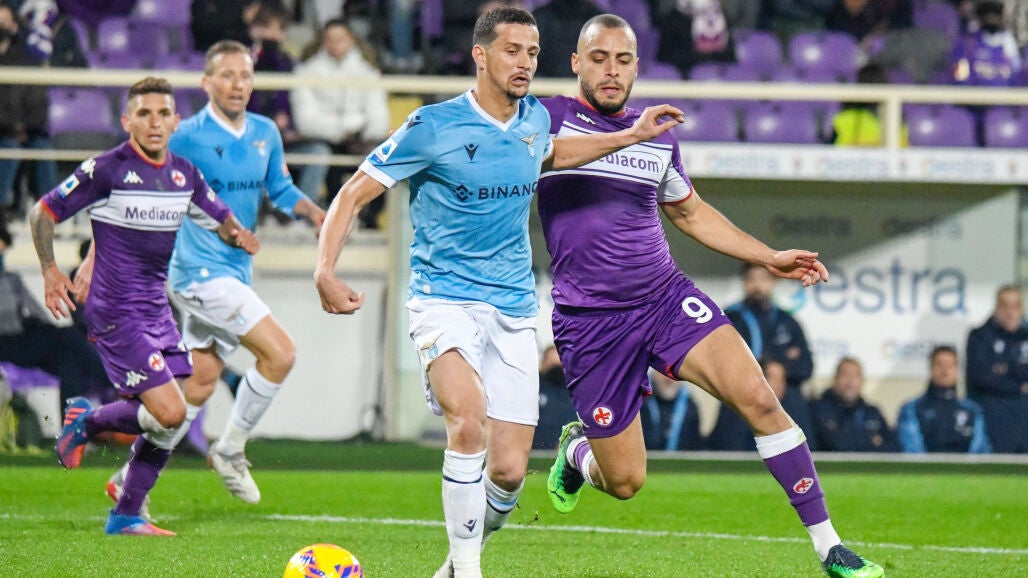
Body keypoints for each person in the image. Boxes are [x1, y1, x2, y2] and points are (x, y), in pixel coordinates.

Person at [314, 7, 684, 577]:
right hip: (443, 300)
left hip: (512, 306)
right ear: (480, 55)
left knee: (508, 473)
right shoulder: (432, 126)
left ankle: (454, 565)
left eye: (532, 53)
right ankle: (469, 570)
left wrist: (631, 136)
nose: (524, 63)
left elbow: (553, 153)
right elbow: (353, 193)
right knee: (468, 420)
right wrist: (325, 269)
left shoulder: (533, 119)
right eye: (512, 51)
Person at [537, 14, 883, 577]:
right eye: (598, 58)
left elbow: (690, 212)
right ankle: (578, 452)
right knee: (624, 481)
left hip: (663, 299)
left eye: (622, 60)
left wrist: (768, 256)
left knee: (760, 398)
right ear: (576, 63)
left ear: (637, 67)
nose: (611, 71)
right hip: (592, 322)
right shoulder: (548, 116)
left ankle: (830, 547)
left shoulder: (657, 136)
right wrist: (628, 137)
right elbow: (538, 155)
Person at [29, 76, 258, 536]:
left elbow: (218, 217)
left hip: (157, 310)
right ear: (126, 121)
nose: (154, 122)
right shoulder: (107, 169)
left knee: (170, 416)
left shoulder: (184, 175)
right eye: (144, 113)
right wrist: (50, 269)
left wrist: (237, 234)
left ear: (176, 121)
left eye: (163, 113)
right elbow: (43, 211)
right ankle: (87, 423)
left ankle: (126, 514)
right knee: (170, 412)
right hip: (116, 310)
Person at [103, 40, 325, 509]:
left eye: (245, 75)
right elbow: (129, 175)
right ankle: (230, 449)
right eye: (227, 75)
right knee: (280, 354)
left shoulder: (265, 131)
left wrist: (312, 212)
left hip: (235, 273)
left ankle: (128, 479)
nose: (237, 84)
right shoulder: (185, 136)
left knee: (198, 385)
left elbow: (280, 189)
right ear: (206, 83)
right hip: (197, 273)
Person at [0, 221, 109, 411]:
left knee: (70, 363)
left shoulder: (12, 279)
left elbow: (36, 311)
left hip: (22, 338)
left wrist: (46, 330)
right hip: (4, 342)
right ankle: (111, 382)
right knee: (69, 335)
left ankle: (70, 422)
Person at [292, 18, 390, 222]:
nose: (335, 44)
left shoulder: (368, 73)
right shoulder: (307, 71)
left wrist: (362, 132)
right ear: (323, 41)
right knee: (321, 153)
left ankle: (369, 219)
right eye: (330, 39)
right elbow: (306, 121)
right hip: (322, 141)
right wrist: (344, 129)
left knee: (383, 154)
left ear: (351, 40)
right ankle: (307, 220)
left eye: (340, 39)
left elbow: (379, 118)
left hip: (360, 140)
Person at [725, 263, 814, 407]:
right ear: (743, 282)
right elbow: (724, 362)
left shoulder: (787, 321)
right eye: (751, 279)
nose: (757, 285)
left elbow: (806, 368)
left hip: (786, 404)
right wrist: (774, 364)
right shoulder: (730, 318)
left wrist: (781, 368)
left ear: (774, 282)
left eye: (763, 279)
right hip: (742, 400)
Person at [0, 4, 58, 223]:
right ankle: (1, 212)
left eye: (6, 23)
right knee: (10, 148)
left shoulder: (27, 61)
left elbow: (37, 103)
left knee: (41, 148)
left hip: (24, 130)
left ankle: (49, 213)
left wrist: (24, 127)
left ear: (15, 26)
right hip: (5, 133)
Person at [965, 285, 1028, 453]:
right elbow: (982, 377)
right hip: (993, 422)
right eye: (1004, 306)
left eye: (1015, 306)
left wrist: (1004, 370)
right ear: (996, 308)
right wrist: (1019, 385)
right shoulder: (979, 337)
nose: (1010, 312)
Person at [706, 357, 816, 451]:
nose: (779, 385)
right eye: (773, 378)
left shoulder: (795, 410)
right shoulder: (735, 408)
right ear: (759, 380)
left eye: (782, 379)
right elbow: (728, 448)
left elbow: (808, 447)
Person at [897, 345, 991, 453]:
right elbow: (912, 450)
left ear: (957, 369)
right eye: (939, 365)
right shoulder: (912, 409)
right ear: (931, 368)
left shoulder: (973, 410)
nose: (945, 370)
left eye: (950, 365)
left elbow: (980, 451)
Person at [810, 357, 898, 453]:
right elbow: (836, 444)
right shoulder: (818, 409)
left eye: (856, 376)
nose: (850, 382)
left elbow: (893, 448)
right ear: (835, 379)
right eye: (845, 375)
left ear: (862, 381)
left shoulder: (872, 412)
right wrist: (871, 440)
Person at [951, 0, 1022, 86]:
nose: (991, 20)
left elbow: (1016, 74)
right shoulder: (968, 43)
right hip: (974, 92)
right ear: (981, 19)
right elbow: (960, 77)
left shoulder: (1008, 42)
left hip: (1003, 93)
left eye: (995, 16)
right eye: (988, 17)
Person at [640, 370, 702, 451]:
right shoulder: (638, 403)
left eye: (674, 368)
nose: (668, 376)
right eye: (663, 368)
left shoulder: (690, 407)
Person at [533, 344, 578, 450]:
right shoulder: (532, 388)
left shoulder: (576, 392)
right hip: (533, 451)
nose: (557, 369)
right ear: (543, 364)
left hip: (566, 453)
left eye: (560, 365)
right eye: (552, 365)